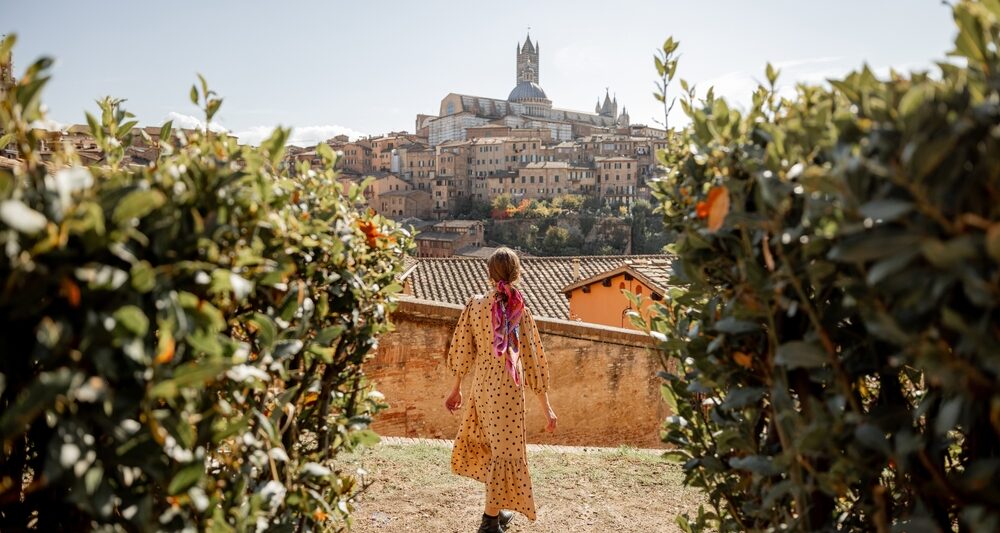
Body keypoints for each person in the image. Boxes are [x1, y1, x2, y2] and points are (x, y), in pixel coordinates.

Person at [444, 247, 557, 533]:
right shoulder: (520, 310)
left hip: (481, 386)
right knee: (505, 453)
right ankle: (489, 522)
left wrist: (456, 389)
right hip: (508, 390)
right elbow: (532, 360)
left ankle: (495, 512)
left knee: (495, 451)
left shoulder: (474, 305)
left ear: (489, 274)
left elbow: (462, 349)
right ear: (517, 274)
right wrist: (547, 408)